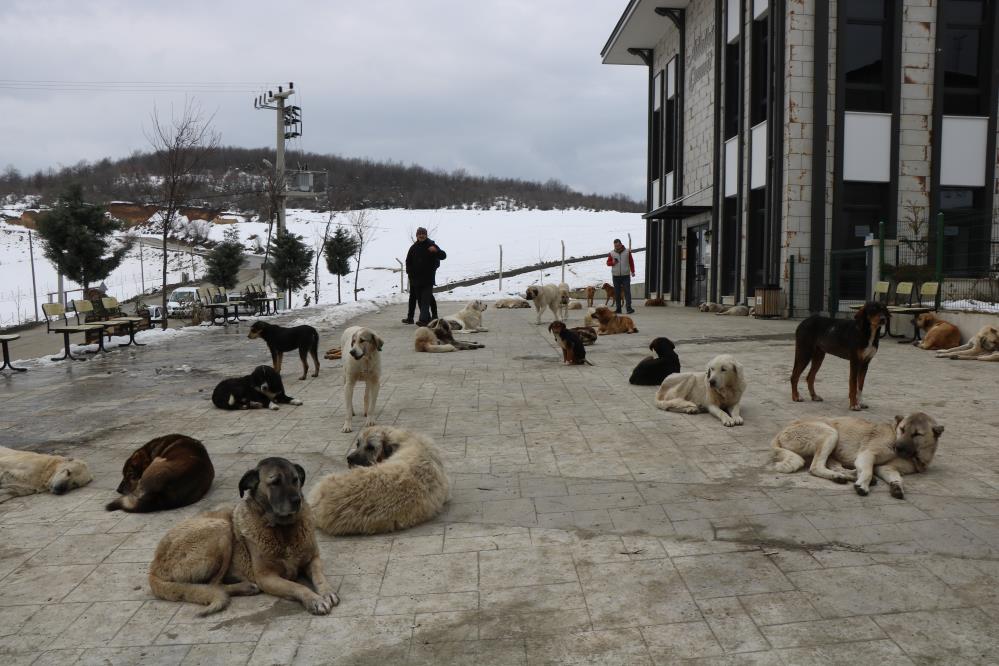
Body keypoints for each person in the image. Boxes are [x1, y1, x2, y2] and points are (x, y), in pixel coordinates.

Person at [403, 227, 446, 325]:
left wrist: (436, 251)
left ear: (426, 235)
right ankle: (429, 318)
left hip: (428, 279)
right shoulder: (413, 247)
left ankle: (423, 320)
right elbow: (408, 261)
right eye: (419, 234)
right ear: (417, 236)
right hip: (416, 280)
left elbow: (443, 256)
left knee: (425, 300)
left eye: (423, 234)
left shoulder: (431, 245)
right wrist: (409, 273)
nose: (421, 236)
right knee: (421, 301)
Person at [606, 238, 635, 314]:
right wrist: (612, 262)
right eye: (615, 246)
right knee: (617, 293)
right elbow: (608, 263)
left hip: (625, 275)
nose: (616, 247)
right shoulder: (611, 253)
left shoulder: (627, 252)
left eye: (618, 245)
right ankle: (618, 309)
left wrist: (633, 271)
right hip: (616, 276)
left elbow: (631, 262)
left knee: (627, 291)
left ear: (621, 244)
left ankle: (629, 308)